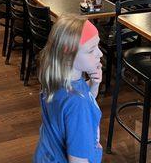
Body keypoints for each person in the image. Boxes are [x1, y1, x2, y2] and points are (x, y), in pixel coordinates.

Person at [34, 16, 103, 163]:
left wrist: (94, 84)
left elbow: (87, 100)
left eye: (98, 46)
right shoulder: (77, 104)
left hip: (47, 155)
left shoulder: (58, 78)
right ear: (68, 55)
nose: (100, 54)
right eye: (91, 50)